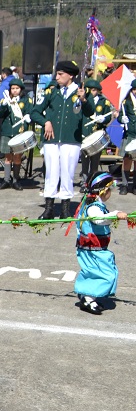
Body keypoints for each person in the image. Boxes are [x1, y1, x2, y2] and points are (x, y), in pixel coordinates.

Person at [31, 60, 91, 219]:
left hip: (71, 139)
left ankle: (65, 209)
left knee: (67, 173)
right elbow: (35, 112)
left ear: (70, 75)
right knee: (51, 173)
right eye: (56, 73)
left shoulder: (81, 91)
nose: (56, 77)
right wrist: (46, 122)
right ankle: (49, 208)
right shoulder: (52, 92)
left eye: (60, 74)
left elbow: (90, 112)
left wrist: (84, 99)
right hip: (51, 139)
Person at [73, 172, 128, 315]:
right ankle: (87, 298)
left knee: (99, 272)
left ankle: (89, 295)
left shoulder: (96, 204)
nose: (111, 192)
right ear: (103, 191)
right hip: (92, 249)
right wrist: (115, 214)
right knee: (106, 274)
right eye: (110, 189)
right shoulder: (93, 207)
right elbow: (98, 219)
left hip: (97, 248)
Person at [0, 78, 32, 191]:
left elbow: (29, 112)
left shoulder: (26, 101)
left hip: (19, 132)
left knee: (17, 157)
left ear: (21, 89)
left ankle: (16, 180)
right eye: (12, 88)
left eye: (17, 88)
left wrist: (28, 116)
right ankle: (6, 179)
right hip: (7, 131)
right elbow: (0, 115)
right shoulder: (5, 100)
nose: (14, 90)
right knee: (7, 157)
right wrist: (4, 106)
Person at [79, 80, 113, 189]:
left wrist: (103, 119)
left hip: (97, 134)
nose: (91, 92)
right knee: (85, 160)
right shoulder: (84, 100)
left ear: (98, 91)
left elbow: (108, 117)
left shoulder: (103, 102)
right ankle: (84, 182)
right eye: (89, 90)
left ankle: (93, 181)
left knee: (95, 161)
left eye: (94, 90)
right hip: (86, 133)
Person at [121, 79, 136, 195]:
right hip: (129, 134)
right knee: (127, 159)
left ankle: (135, 185)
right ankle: (125, 185)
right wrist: (121, 118)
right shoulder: (126, 102)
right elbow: (120, 115)